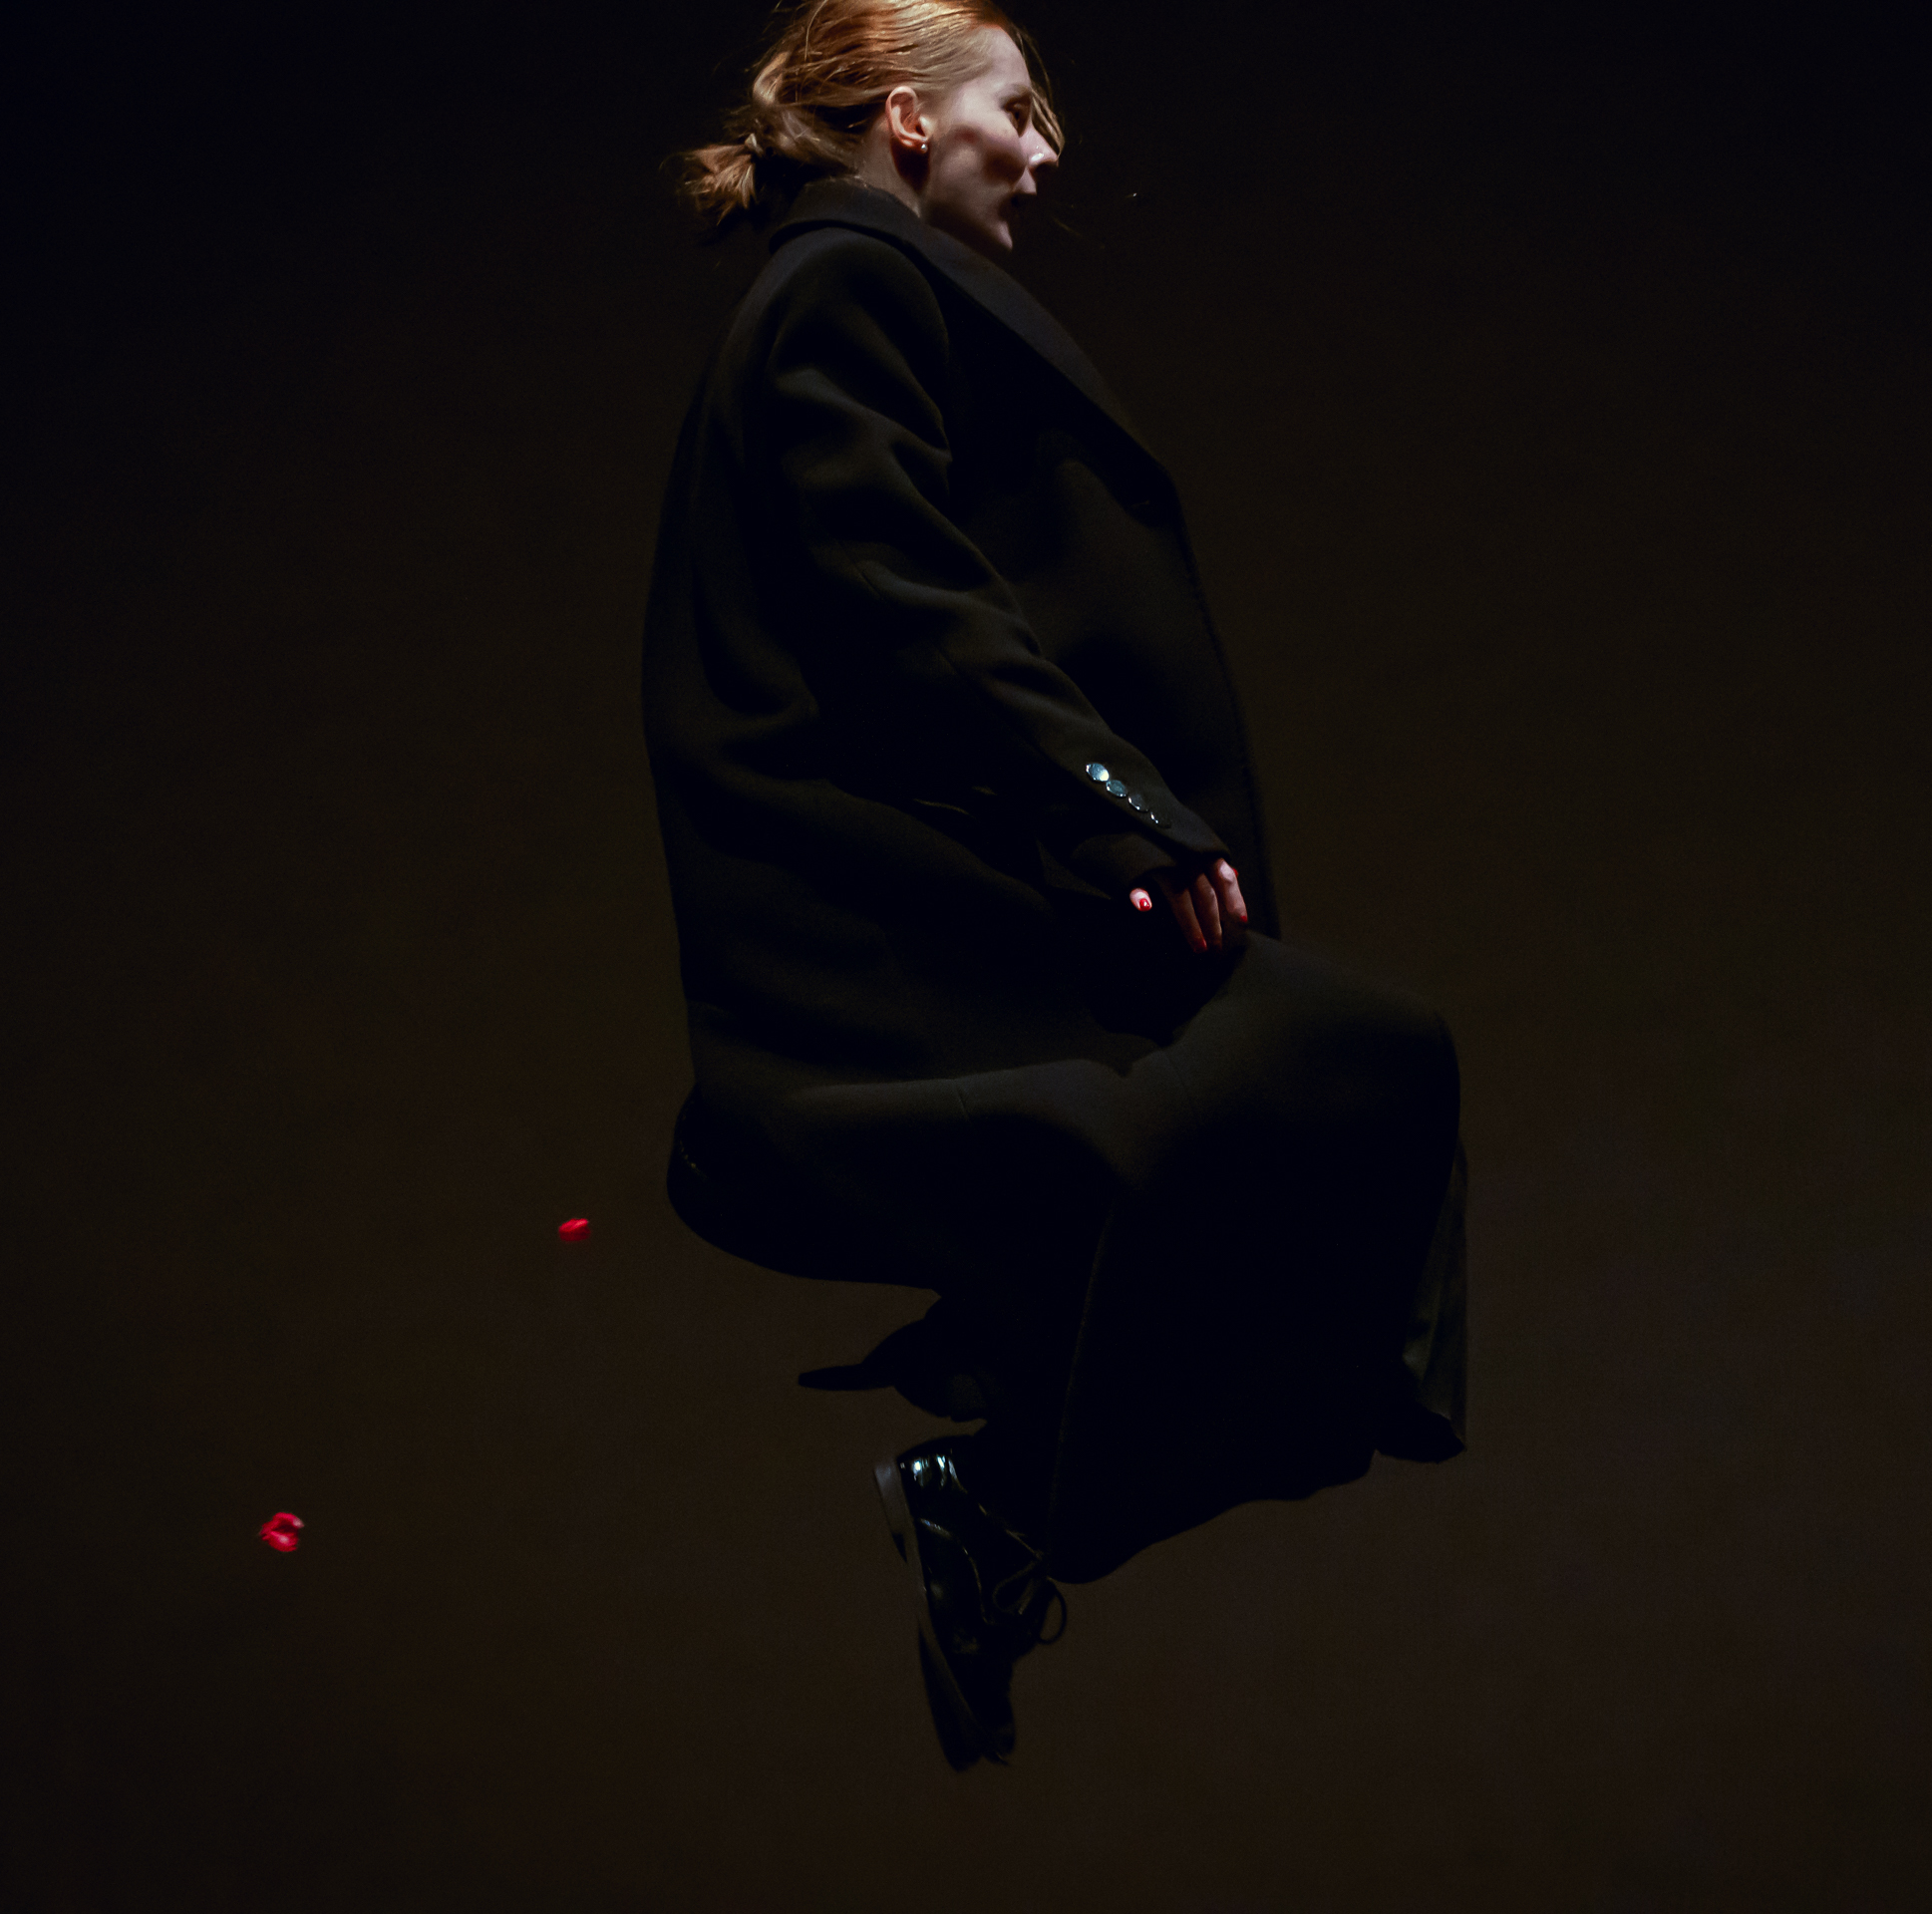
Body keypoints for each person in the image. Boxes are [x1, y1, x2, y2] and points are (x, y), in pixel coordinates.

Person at [644, 0, 1465, 1769]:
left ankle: (1005, 1461)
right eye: (1015, 107)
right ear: (904, 118)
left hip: (979, 872)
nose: (1044, 147)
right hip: (914, 894)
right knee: (1351, 1075)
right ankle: (1016, 1447)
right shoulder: (842, 286)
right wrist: (1117, 810)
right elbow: (895, 587)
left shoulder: (870, 290)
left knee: (1353, 1090)